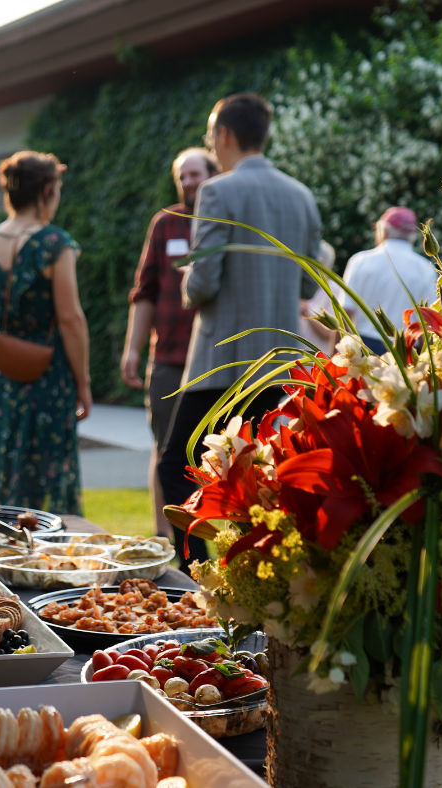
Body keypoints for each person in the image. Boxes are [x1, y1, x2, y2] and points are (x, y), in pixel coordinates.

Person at [158, 93, 322, 569]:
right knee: (262, 479)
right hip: (279, 365)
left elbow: (204, 282)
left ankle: (197, 577)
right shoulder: (301, 195)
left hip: (221, 363)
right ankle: (255, 580)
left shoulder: (217, 191)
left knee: (176, 467)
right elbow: (310, 281)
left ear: (224, 135)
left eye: (212, 135)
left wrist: (187, 281)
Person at [0, 151, 92, 515]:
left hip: (6, 368)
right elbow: (70, 318)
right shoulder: (55, 243)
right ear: (45, 192)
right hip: (49, 373)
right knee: (45, 469)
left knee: (4, 460)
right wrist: (84, 382)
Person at [121, 147, 218, 539]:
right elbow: (144, 291)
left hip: (214, 360)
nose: (189, 182)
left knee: (210, 454)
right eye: (183, 176)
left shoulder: (224, 221)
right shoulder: (165, 223)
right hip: (170, 359)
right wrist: (132, 348)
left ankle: (202, 535)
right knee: (164, 450)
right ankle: (165, 539)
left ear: (213, 174)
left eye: (196, 174)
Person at [339, 207, 438, 355]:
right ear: (413, 235)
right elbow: (429, 320)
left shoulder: (360, 261)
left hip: (364, 346)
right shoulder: (425, 268)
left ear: (383, 231)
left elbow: (345, 313)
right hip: (406, 350)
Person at [298, 240, 341, 356]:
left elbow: (333, 332)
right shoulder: (299, 287)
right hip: (296, 355)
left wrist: (306, 312)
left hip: (318, 357)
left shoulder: (334, 290)